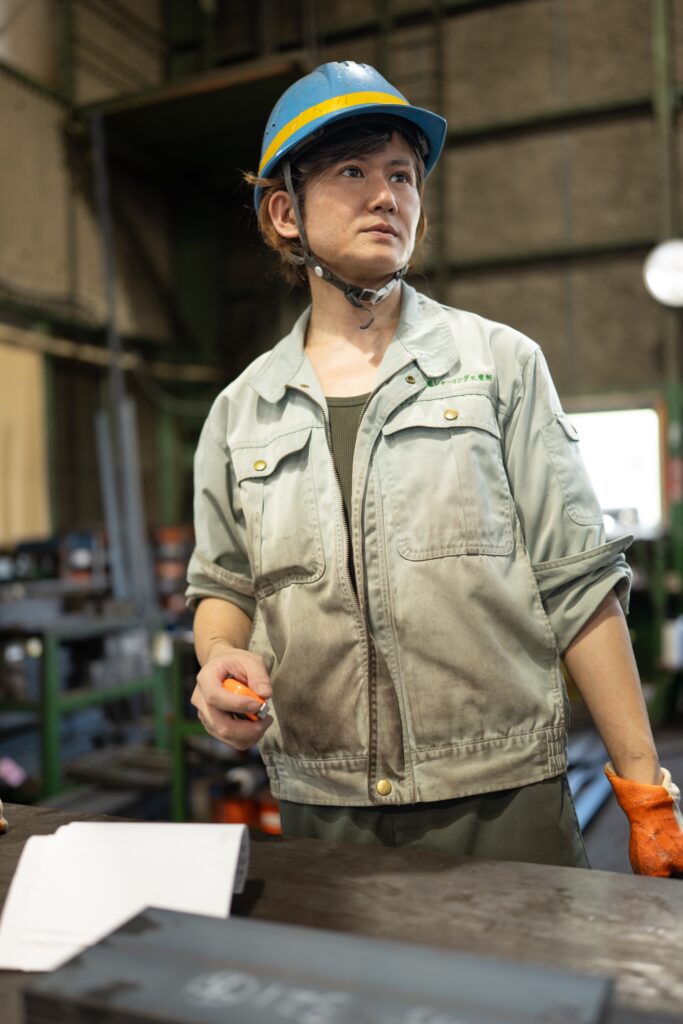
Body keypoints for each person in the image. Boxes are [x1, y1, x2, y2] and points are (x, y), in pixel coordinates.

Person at [187, 61, 683, 874]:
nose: (386, 196)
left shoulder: (499, 366)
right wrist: (217, 658)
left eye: (402, 176)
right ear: (284, 212)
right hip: (322, 804)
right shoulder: (243, 412)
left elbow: (577, 582)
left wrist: (643, 790)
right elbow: (224, 584)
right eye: (352, 172)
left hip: (503, 799)